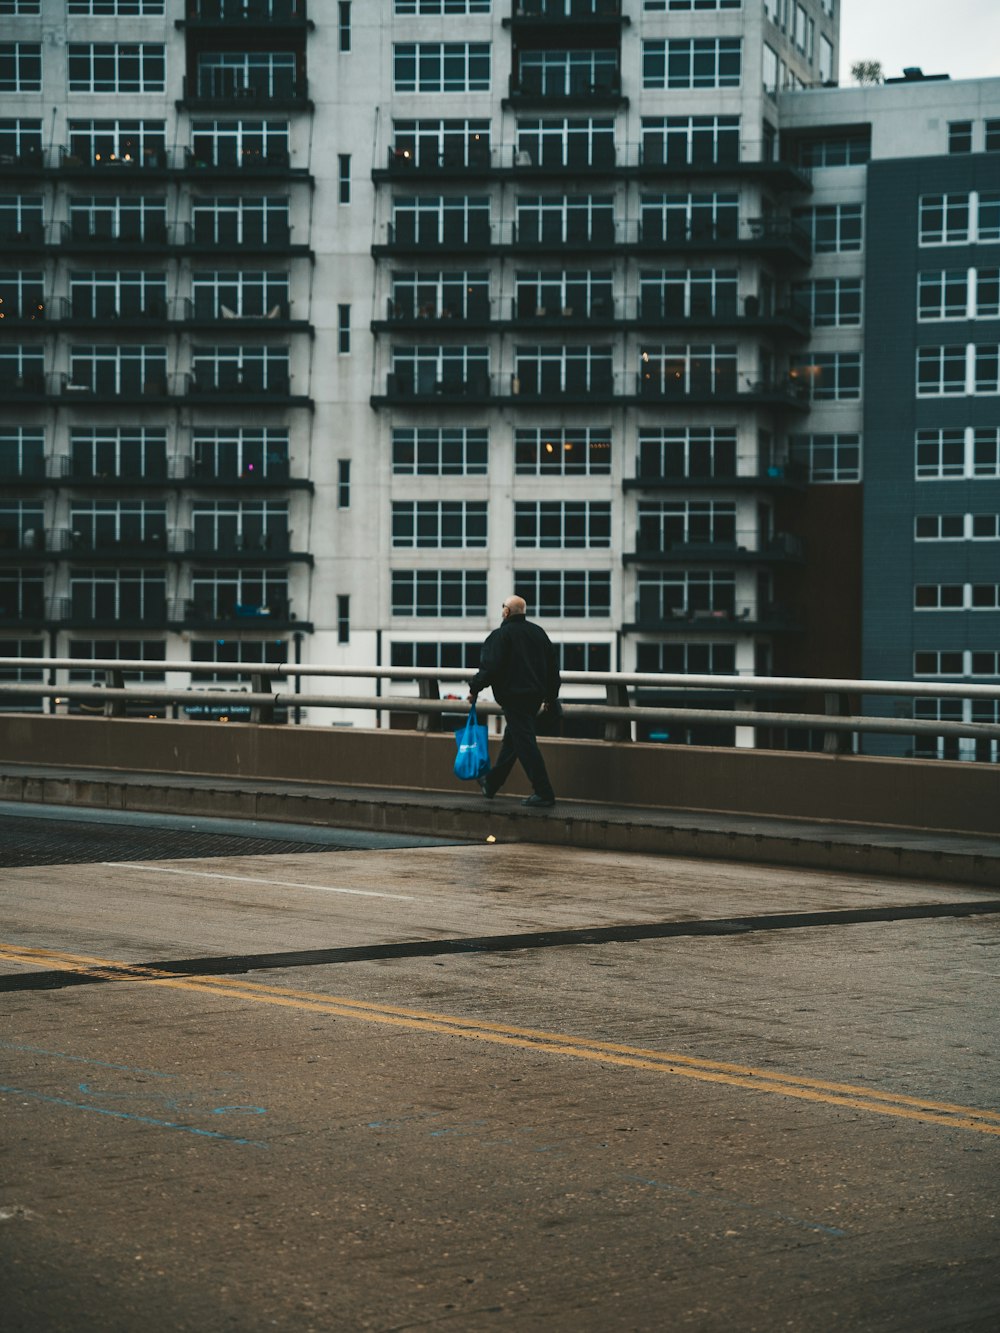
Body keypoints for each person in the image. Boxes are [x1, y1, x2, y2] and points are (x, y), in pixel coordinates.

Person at [467, 595, 561, 808]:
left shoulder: (501, 635)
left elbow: (489, 667)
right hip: (534, 698)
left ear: (507, 612)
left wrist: (474, 689)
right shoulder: (538, 633)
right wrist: (550, 696)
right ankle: (491, 784)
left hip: (513, 697)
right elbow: (552, 669)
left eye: (503, 608)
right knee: (513, 741)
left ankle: (544, 792)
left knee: (525, 744)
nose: (502, 611)